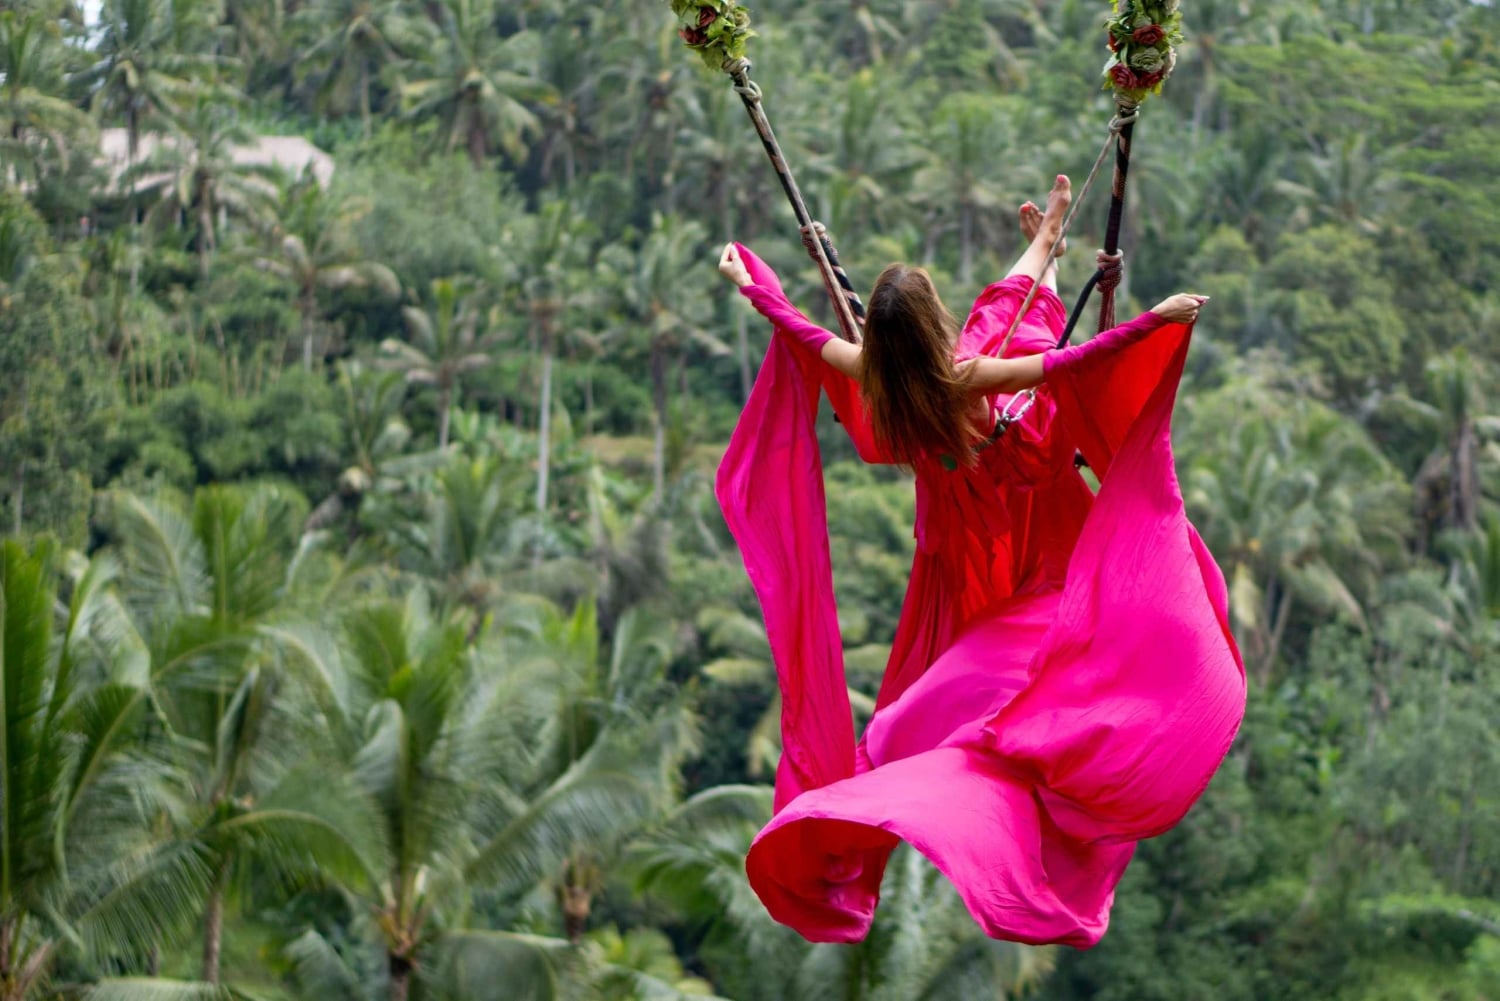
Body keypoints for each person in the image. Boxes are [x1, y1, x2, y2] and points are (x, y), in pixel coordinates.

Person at [712, 172, 1247, 949]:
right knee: (994, 683)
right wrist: (1153, 323)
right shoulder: (966, 373)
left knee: (917, 713)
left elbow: (799, 329)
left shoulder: (876, 376)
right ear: (932, 325)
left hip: (953, 549)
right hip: (1019, 530)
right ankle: (1007, 776)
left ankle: (954, 774)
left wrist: (751, 283)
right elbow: (1066, 364)